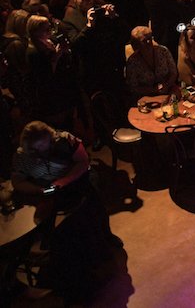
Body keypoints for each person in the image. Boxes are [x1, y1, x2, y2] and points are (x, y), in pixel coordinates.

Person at [11, 121, 120, 303]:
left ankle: (104, 240)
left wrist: (62, 181)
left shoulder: (65, 140)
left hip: (75, 182)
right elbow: (18, 182)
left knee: (90, 212)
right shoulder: (22, 156)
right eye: (36, 149)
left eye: (44, 146)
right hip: (48, 191)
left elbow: (83, 162)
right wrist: (38, 190)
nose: (42, 152)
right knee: (56, 229)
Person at [125, 25, 178, 98]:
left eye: (150, 38)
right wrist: (153, 90)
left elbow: (174, 72)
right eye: (144, 41)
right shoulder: (132, 61)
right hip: (146, 97)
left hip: (169, 91)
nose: (148, 42)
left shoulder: (163, 51)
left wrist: (167, 85)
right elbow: (133, 87)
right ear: (136, 44)